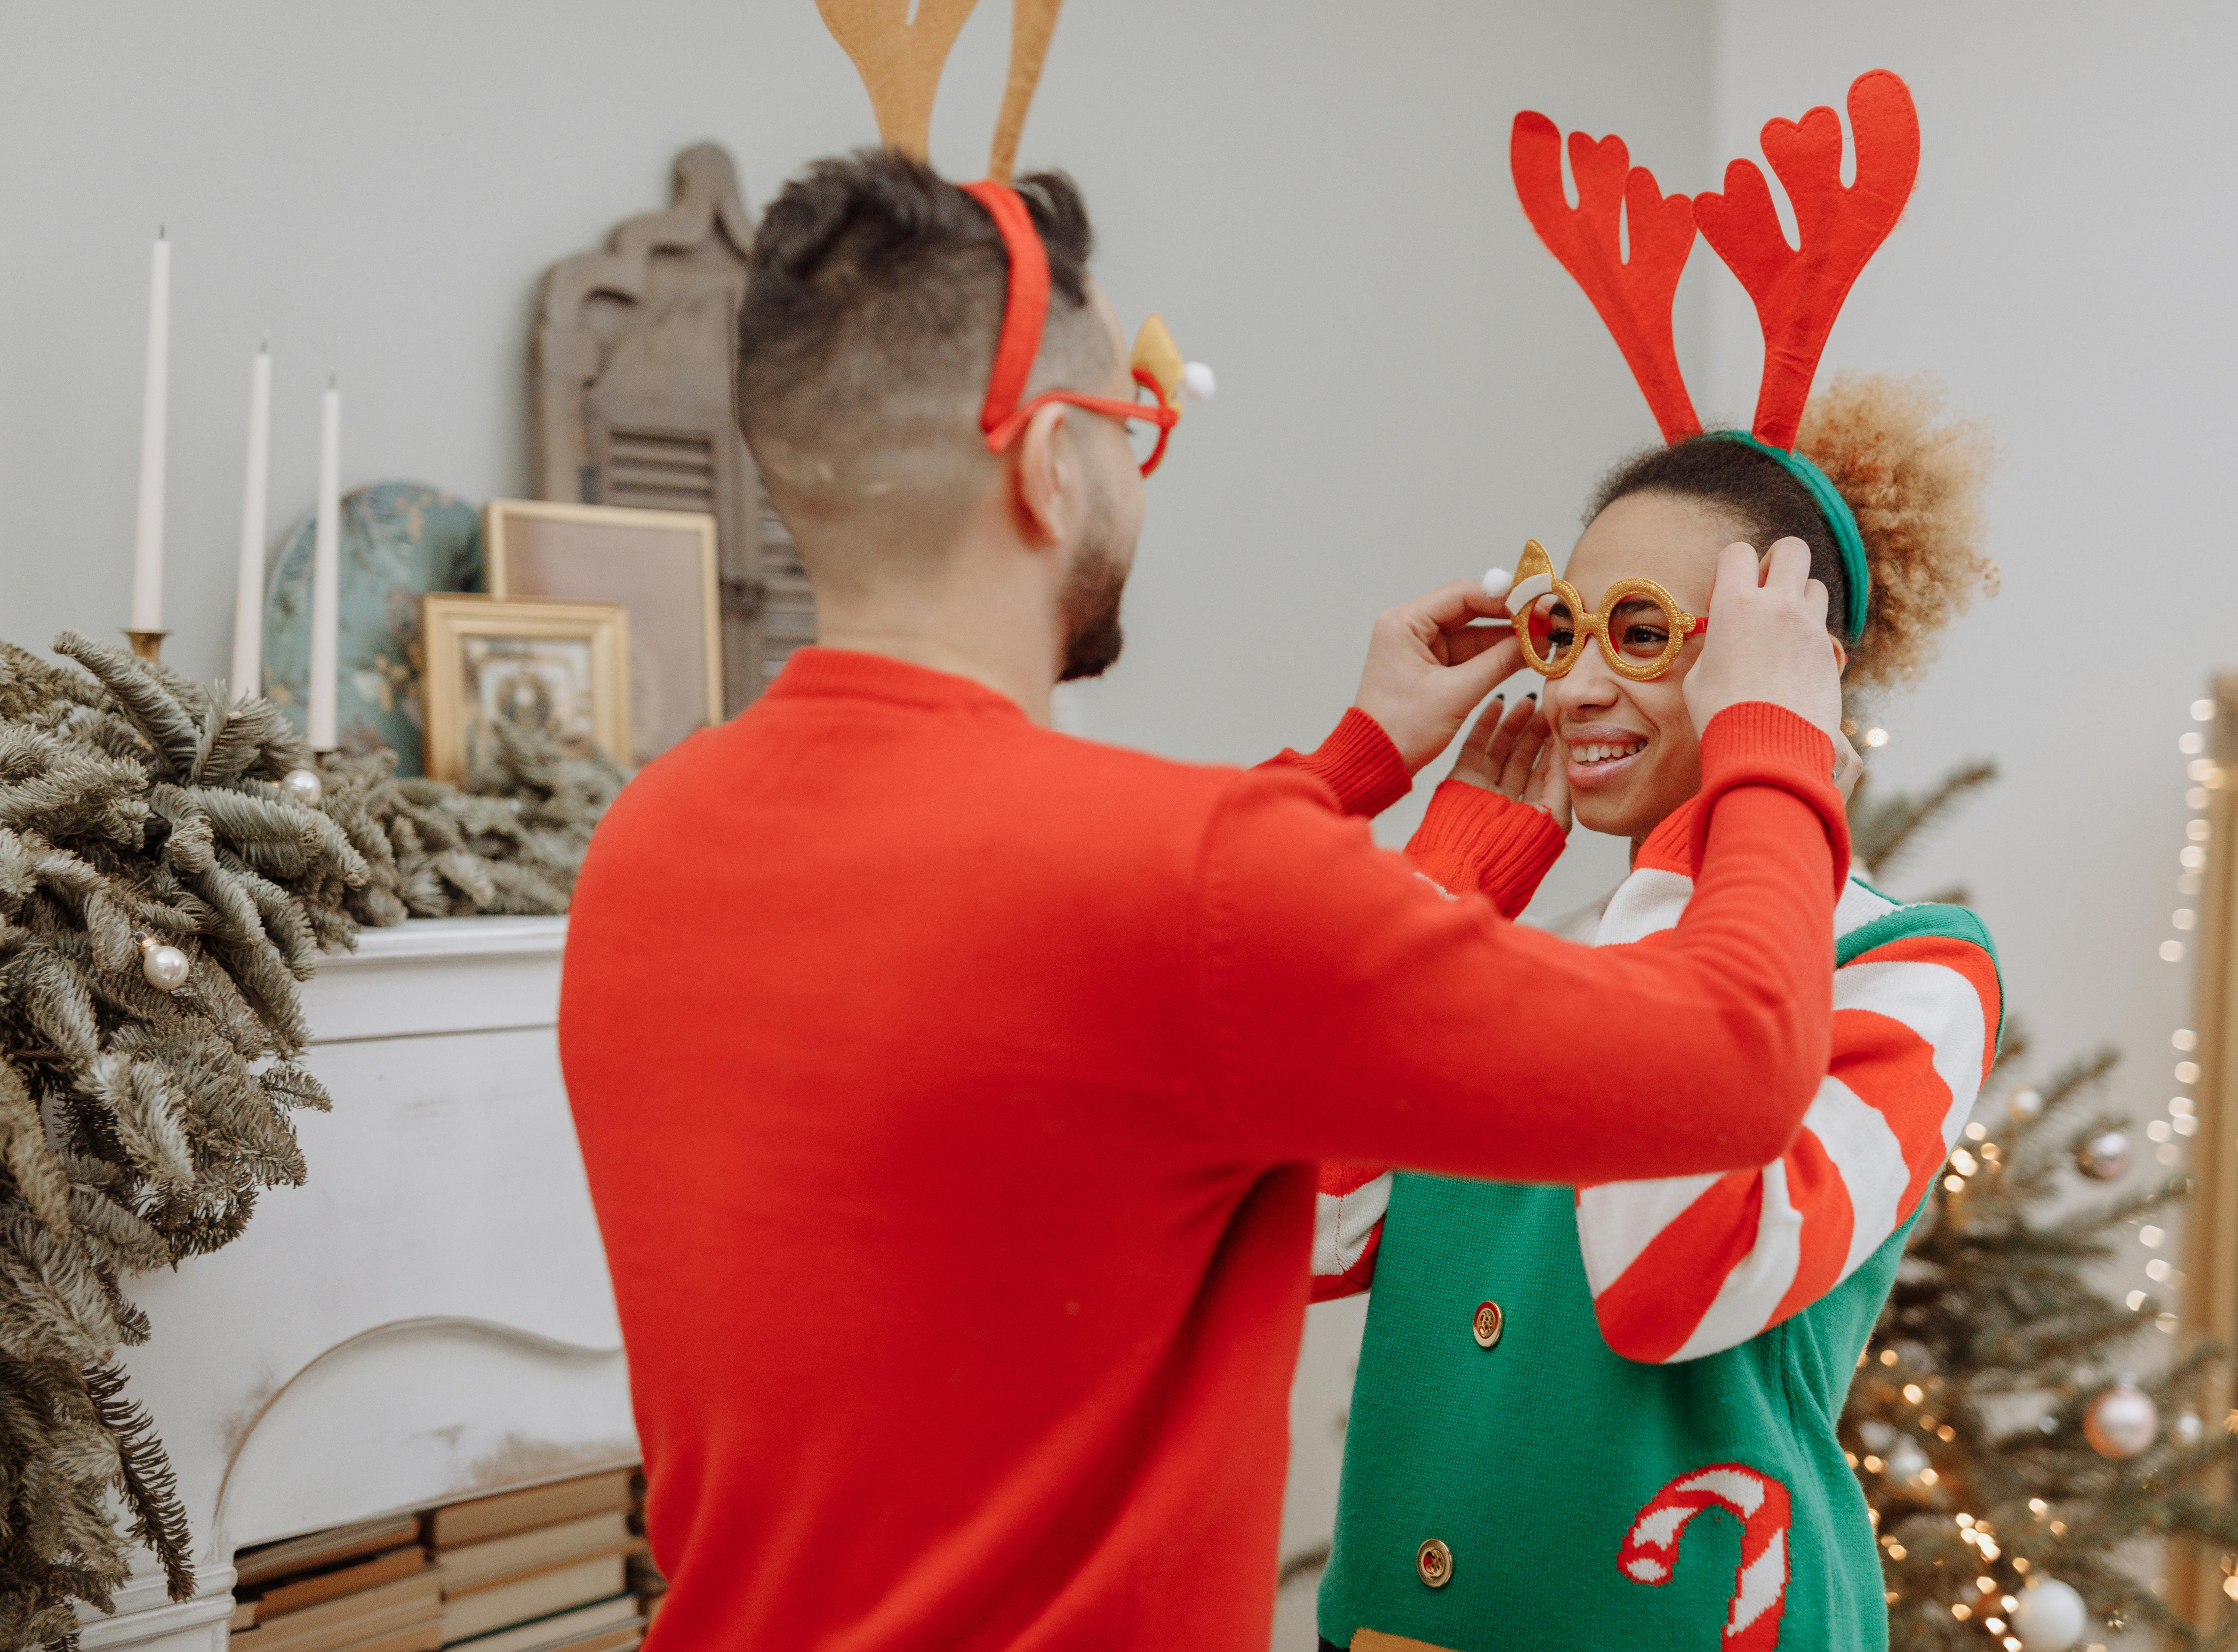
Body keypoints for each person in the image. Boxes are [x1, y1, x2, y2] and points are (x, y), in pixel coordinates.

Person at [557, 146, 1855, 1649]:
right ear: (1050, 461)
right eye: (1135, 423)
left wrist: (1352, 764)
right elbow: (1738, 1058)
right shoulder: (1190, 882)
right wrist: (1775, 734)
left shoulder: (651, 844)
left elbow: (1077, 969)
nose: (1137, 465)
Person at [1311, 77, 2005, 1652]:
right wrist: (1440, 895)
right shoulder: (1527, 954)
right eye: (1567, 625)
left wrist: (1767, 764)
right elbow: (1302, 1232)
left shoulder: (1916, 968)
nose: (1569, 687)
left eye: (1647, 637)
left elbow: (1675, 1271)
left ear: (1784, 665)